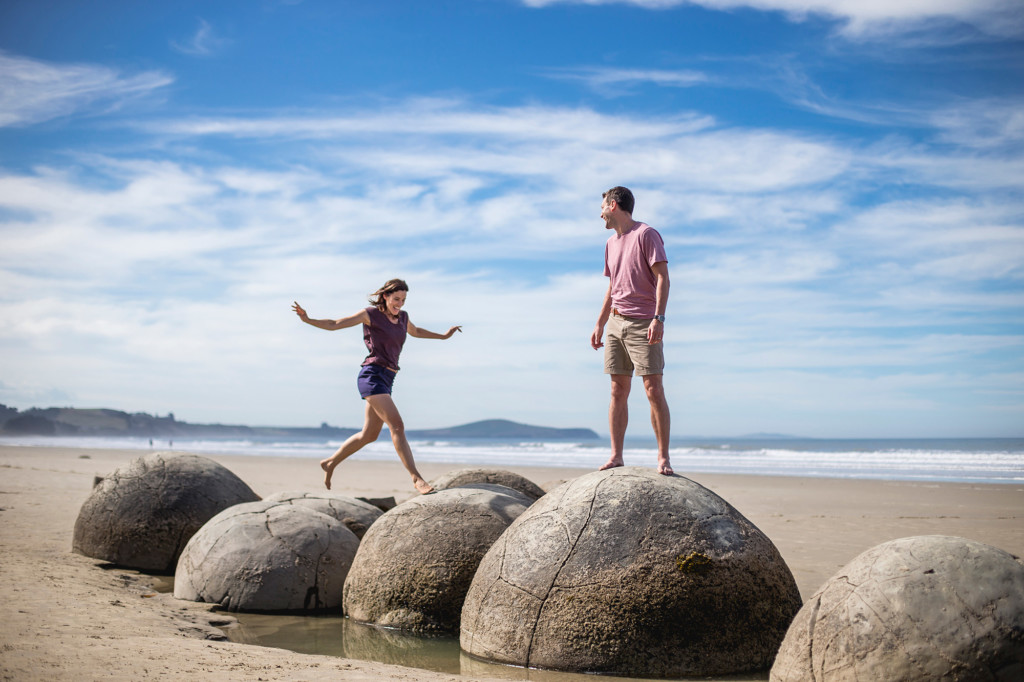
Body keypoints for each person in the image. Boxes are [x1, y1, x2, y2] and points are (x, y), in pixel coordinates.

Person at [292, 279, 461, 494]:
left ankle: (330, 462)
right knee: (397, 426)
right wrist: (307, 319)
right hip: (372, 375)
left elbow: (416, 331)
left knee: (369, 435)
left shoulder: (403, 318)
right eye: (396, 299)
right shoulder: (370, 314)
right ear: (385, 296)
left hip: (388, 379)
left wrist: (444, 336)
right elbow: (335, 324)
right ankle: (416, 478)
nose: (399, 303)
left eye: (403, 300)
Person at [590, 186, 673, 475]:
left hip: (643, 323)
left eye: (602, 206)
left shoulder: (646, 234)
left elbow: (662, 277)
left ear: (613, 205)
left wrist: (658, 318)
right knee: (617, 390)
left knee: (653, 389)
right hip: (615, 323)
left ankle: (663, 458)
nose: (599, 212)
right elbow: (612, 286)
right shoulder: (610, 244)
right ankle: (616, 456)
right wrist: (600, 322)